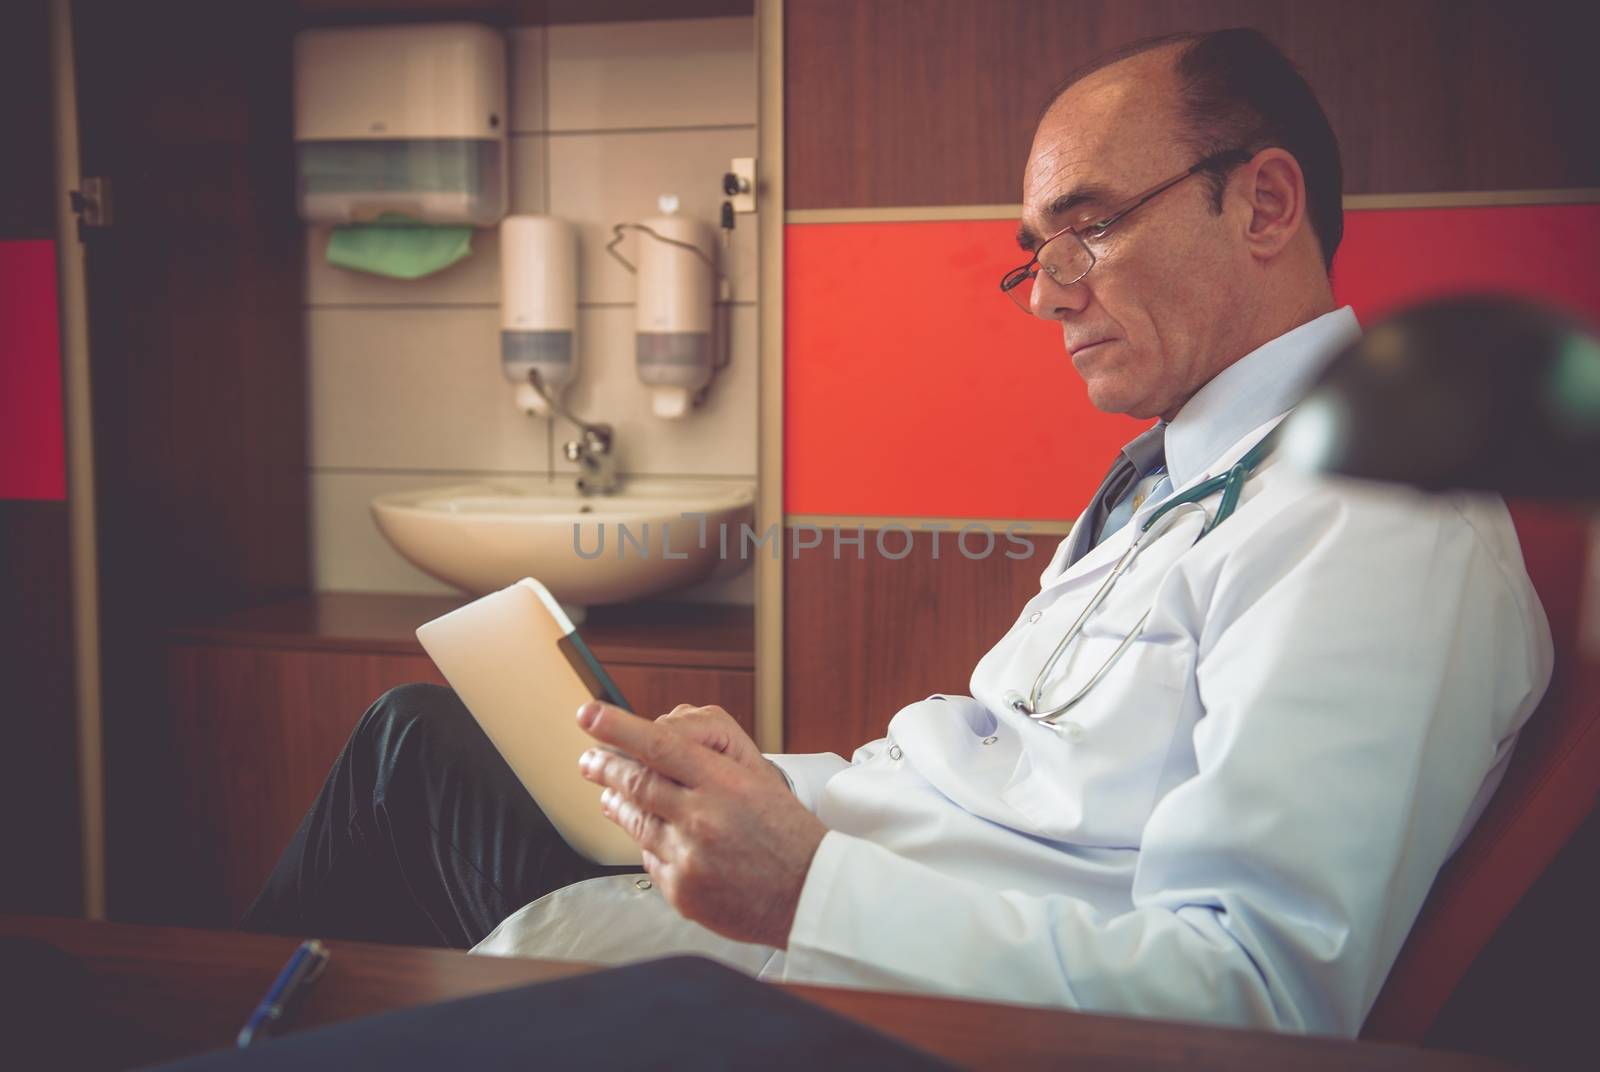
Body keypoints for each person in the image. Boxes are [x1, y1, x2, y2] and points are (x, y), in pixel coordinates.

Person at [242, 29, 1552, 1036]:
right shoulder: (1178, 472)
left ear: (1265, 205)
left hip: (897, 1004)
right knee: (420, 745)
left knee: (402, 788)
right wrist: (761, 783)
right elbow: (999, 774)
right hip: (843, 897)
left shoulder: (1378, 520)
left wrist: (803, 883)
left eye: (1086, 230)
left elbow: (1248, 995)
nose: (1046, 296)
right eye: (1033, 251)